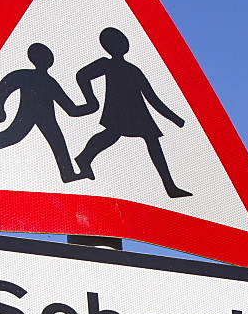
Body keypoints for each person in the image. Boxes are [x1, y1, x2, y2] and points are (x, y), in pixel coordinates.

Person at [74, 27, 192, 198]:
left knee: (128, 137)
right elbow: (82, 75)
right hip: (120, 110)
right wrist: (91, 100)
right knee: (113, 135)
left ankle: (170, 187)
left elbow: (152, 97)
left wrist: (174, 118)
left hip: (137, 112)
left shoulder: (132, 69)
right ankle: (84, 158)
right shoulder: (106, 64)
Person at [0, 43, 89, 183]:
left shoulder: (46, 81)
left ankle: (68, 173)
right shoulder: (32, 77)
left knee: (56, 141)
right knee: (14, 136)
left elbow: (70, 108)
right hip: (29, 114)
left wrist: (89, 108)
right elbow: (6, 85)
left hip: (45, 117)